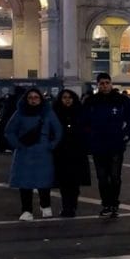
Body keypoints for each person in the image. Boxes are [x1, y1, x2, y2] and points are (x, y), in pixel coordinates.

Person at [4, 88, 63, 221]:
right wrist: (17, 144)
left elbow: (58, 130)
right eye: (30, 97)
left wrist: (51, 145)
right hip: (25, 151)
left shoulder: (48, 113)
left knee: (44, 181)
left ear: (41, 99)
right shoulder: (19, 113)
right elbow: (9, 131)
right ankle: (26, 209)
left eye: (36, 97)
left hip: (43, 151)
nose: (33, 100)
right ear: (26, 99)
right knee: (25, 182)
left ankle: (45, 205)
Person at [82, 73, 130, 218]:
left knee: (115, 176)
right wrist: (89, 138)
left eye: (107, 83)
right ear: (97, 85)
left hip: (116, 144)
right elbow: (84, 122)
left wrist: (126, 136)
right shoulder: (91, 101)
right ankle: (106, 204)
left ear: (111, 84)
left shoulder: (122, 100)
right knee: (102, 177)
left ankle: (114, 204)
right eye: (101, 83)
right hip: (98, 144)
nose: (104, 86)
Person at [52, 89, 90, 218]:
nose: (67, 100)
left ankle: (72, 206)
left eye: (69, 97)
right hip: (61, 151)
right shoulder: (56, 113)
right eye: (64, 97)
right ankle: (66, 206)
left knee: (74, 182)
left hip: (76, 150)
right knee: (64, 181)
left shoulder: (80, 112)